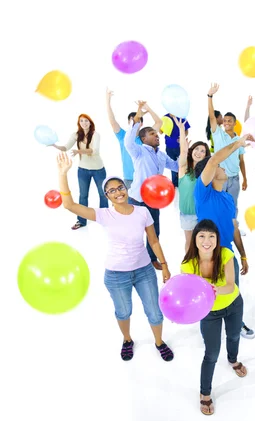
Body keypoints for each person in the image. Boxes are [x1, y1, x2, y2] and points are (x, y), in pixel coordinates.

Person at [55, 152, 174, 362]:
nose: (118, 192)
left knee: (154, 312)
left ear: (126, 189)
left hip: (145, 271)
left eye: (120, 187)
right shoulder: (103, 215)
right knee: (124, 311)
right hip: (117, 275)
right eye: (111, 190)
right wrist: (63, 173)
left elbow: (153, 241)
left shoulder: (142, 212)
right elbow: (69, 205)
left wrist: (164, 265)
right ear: (107, 196)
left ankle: (159, 342)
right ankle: (127, 340)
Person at [181, 219, 247, 416]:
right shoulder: (188, 264)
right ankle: (205, 393)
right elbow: (188, 294)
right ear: (194, 240)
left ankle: (233, 360)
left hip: (233, 304)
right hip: (208, 313)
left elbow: (231, 285)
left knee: (234, 336)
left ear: (217, 239)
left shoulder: (226, 254)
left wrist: (213, 289)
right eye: (202, 236)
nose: (207, 240)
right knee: (211, 353)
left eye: (211, 236)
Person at [194, 133, 255, 340]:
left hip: (228, 254)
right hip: (207, 255)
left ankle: (236, 324)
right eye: (219, 167)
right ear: (209, 175)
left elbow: (234, 228)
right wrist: (237, 144)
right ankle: (209, 326)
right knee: (209, 294)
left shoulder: (228, 198)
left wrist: (243, 255)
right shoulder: (203, 193)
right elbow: (213, 160)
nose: (223, 167)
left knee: (232, 292)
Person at [125, 101, 179, 270]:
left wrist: (184, 149)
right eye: (152, 134)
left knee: (154, 231)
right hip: (137, 199)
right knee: (135, 232)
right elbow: (128, 141)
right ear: (143, 139)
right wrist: (139, 113)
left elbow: (177, 166)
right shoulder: (138, 151)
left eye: (157, 134)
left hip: (154, 201)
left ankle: (151, 257)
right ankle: (133, 259)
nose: (157, 136)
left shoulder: (162, 155)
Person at [52, 113, 108, 230]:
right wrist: (55, 145)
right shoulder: (76, 135)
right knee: (83, 196)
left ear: (90, 122)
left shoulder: (96, 135)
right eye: (81, 121)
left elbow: (95, 151)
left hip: (98, 170)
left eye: (86, 121)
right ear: (79, 123)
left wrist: (79, 152)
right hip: (82, 170)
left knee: (103, 195)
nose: (84, 123)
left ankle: (105, 219)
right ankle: (81, 221)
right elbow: (66, 147)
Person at [105, 88, 163, 189]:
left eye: (138, 120)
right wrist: (108, 101)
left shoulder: (146, 137)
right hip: (129, 179)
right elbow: (112, 120)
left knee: (148, 205)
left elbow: (159, 123)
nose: (135, 122)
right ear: (129, 123)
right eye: (132, 120)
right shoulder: (123, 135)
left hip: (146, 178)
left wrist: (148, 109)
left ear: (141, 123)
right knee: (129, 204)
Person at [207, 83, 248, 223]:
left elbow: (241, 161)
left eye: (229, 121)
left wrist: (245, 178)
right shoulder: (218, 134)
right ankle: (218, 227)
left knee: (233, 205)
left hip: (235, 178)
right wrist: (210, 96)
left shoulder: (239, 140)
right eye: (224, 121)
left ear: (235, 123)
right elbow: (212, 117)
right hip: (219, 177)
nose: (226, 123)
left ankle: (233, 227)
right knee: (218, 204)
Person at [173, 118, 209, 251]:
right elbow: (183, 152)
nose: (198, 152)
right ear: (191, 150)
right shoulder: (183, 169)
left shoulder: (206, 172)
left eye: (202, 151)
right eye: (197, 149)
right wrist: (182, 130)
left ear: (206, 156)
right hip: (187, 214)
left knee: (202, 245)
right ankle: (188, 268)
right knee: (189, 243)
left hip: (203, 213)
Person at [162, 113, 190, 188]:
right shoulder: (165, 117)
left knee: (183, 165)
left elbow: (186, 131)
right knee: (173, 166)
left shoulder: (181, 117)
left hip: (180, 147)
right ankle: (175, 184)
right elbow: (161, 131)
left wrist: (182, 137)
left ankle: (183, 182)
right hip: (169, 147)